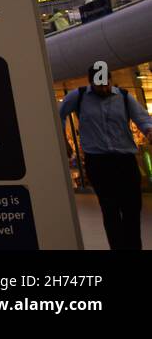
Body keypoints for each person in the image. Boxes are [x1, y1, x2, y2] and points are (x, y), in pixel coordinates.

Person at [59, 63, 152, 249]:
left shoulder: (124, 97)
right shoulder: (78, 96)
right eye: (98, 85)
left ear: (110, 80)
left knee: (132, 209)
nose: (103, 88)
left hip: (125, 161)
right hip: (98, 162)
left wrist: (149, 130)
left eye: (105, 84)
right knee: (110, 210)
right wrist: (63, 140)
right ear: (91, 82)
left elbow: (142, 118)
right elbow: (57, 114)